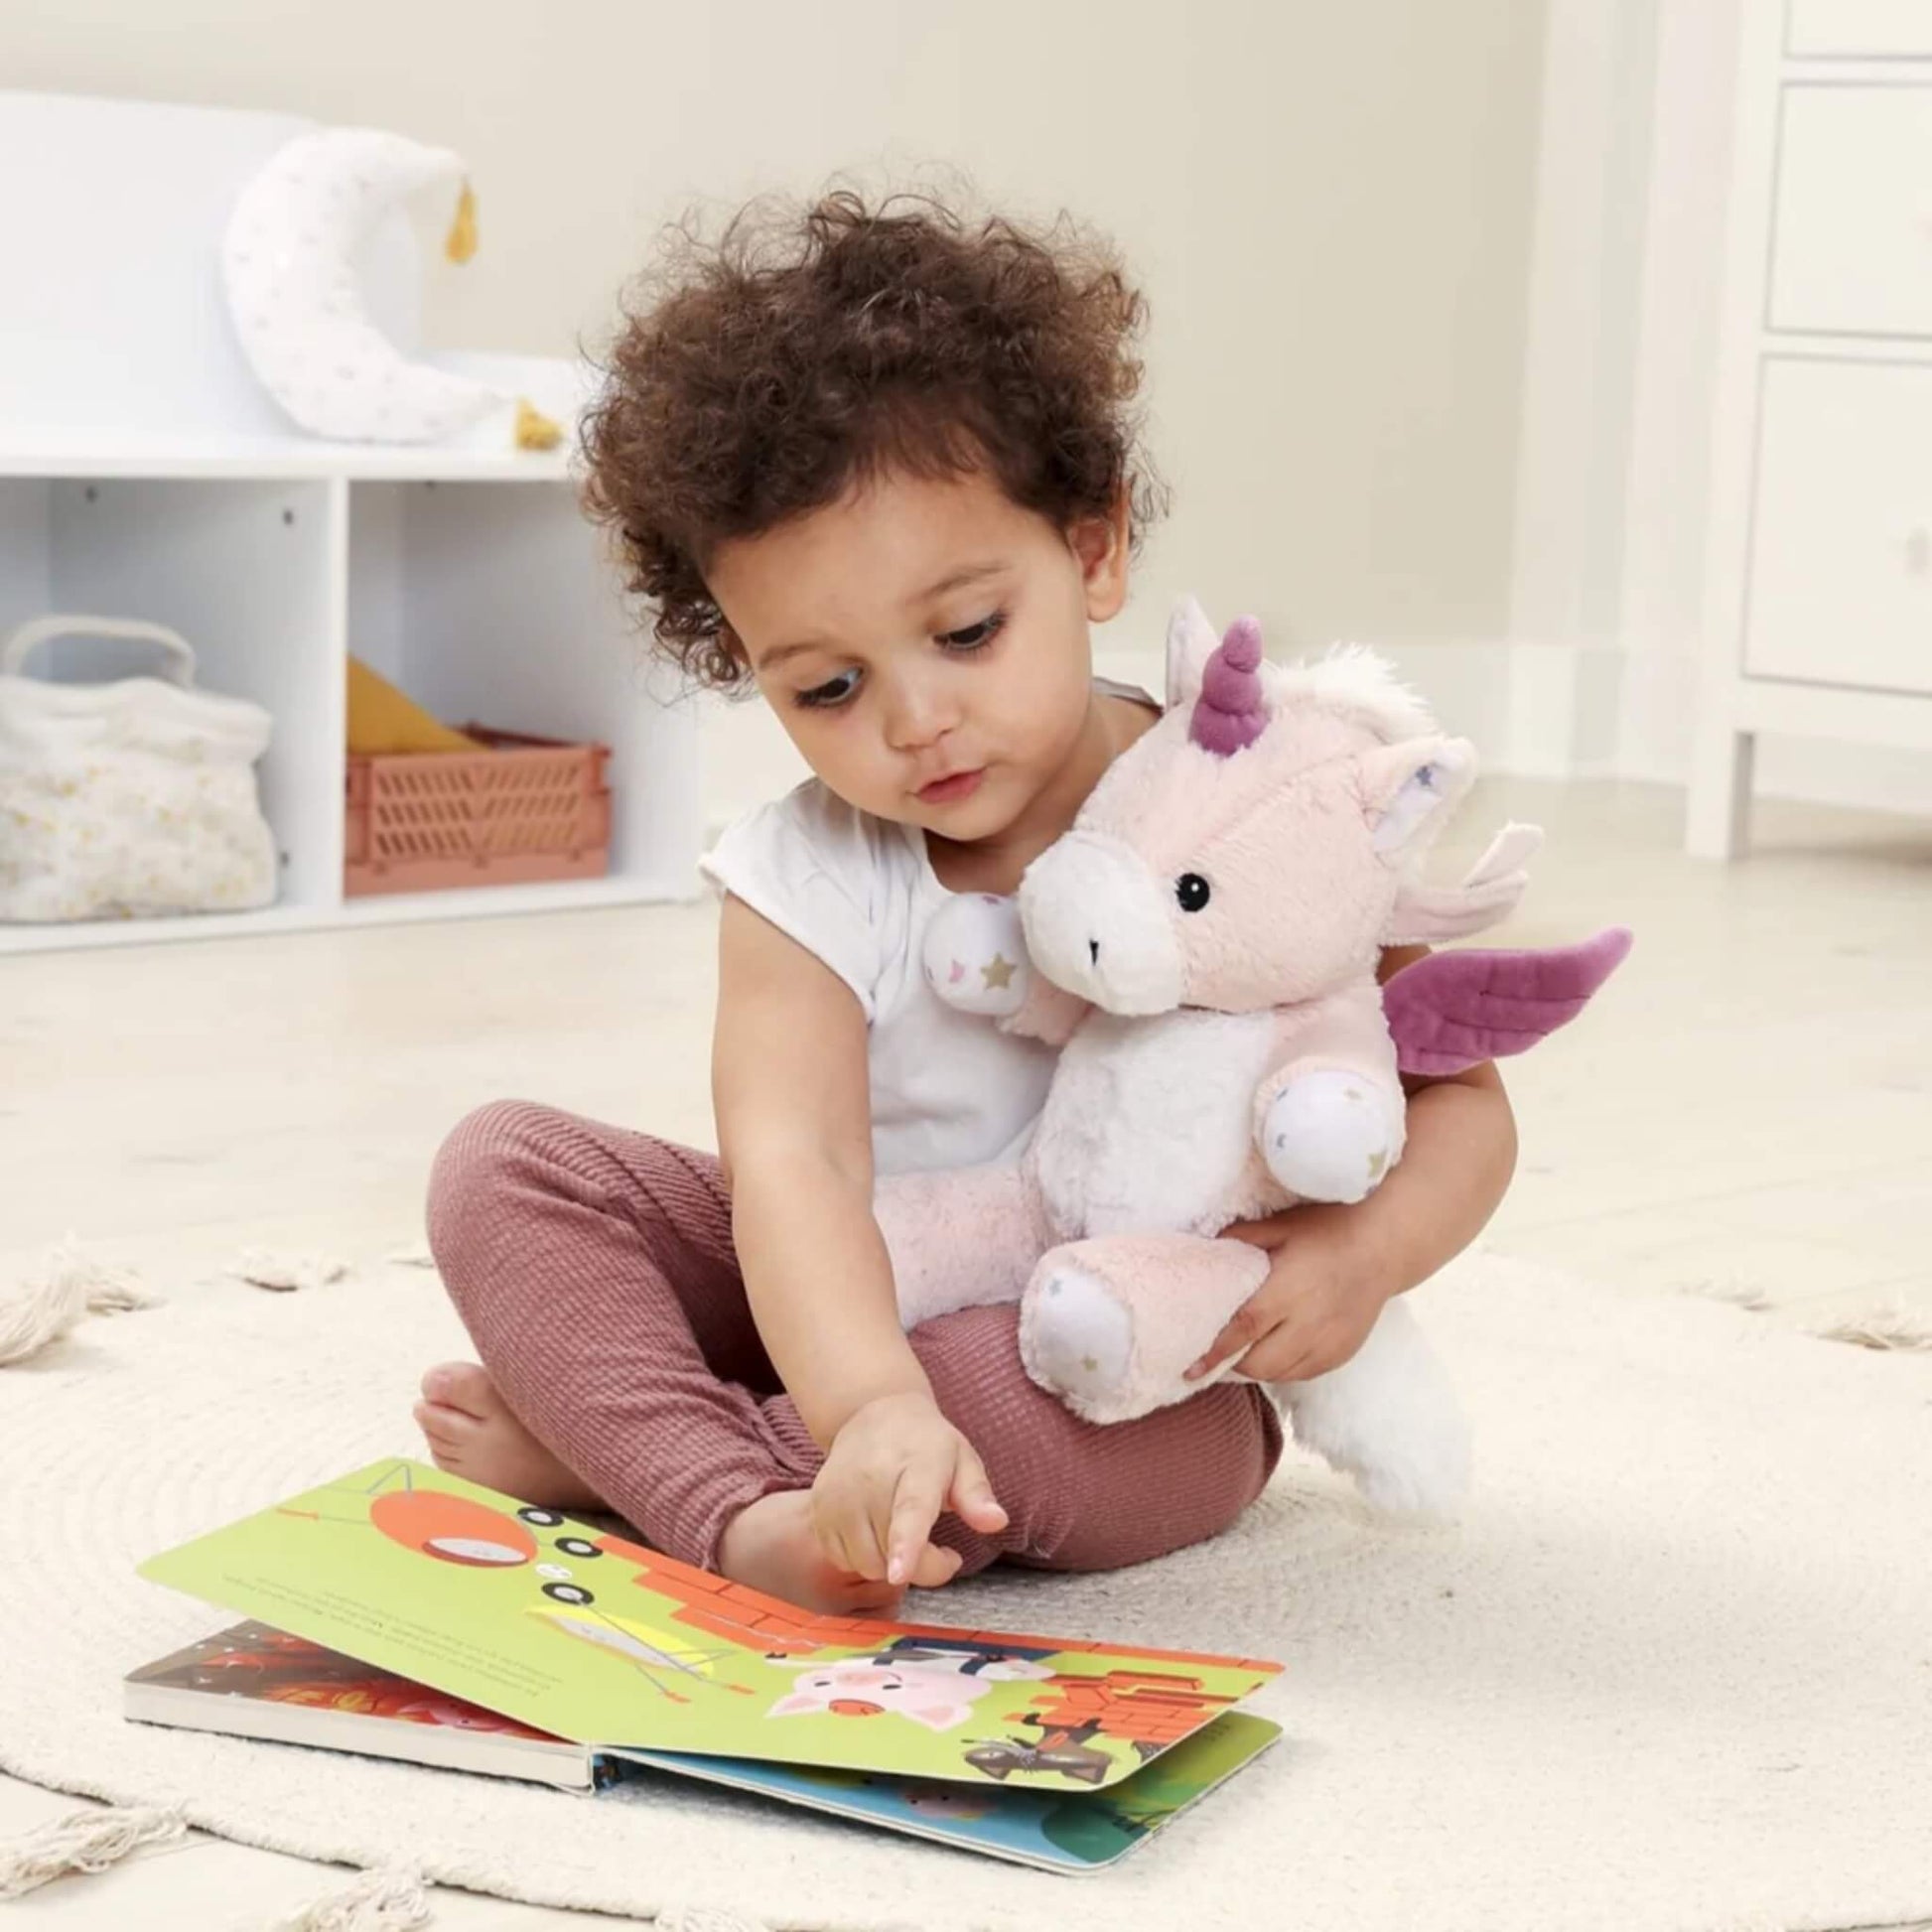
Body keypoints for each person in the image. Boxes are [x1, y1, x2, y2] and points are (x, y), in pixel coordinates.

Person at [414, 190, 1517, 1615]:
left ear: (1094, 547)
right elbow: (793, 1166)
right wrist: (866, 1394)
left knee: (997, 1385)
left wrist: (1364, 1253)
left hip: (1143, 1362)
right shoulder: (803, 870)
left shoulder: (1256, 794)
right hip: (852, 1302)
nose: (918, 719)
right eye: (827, 686)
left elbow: (1461, 1101)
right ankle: (755, 1490)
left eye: (967, 632)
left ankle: (656, 1459)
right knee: (506, 1167)